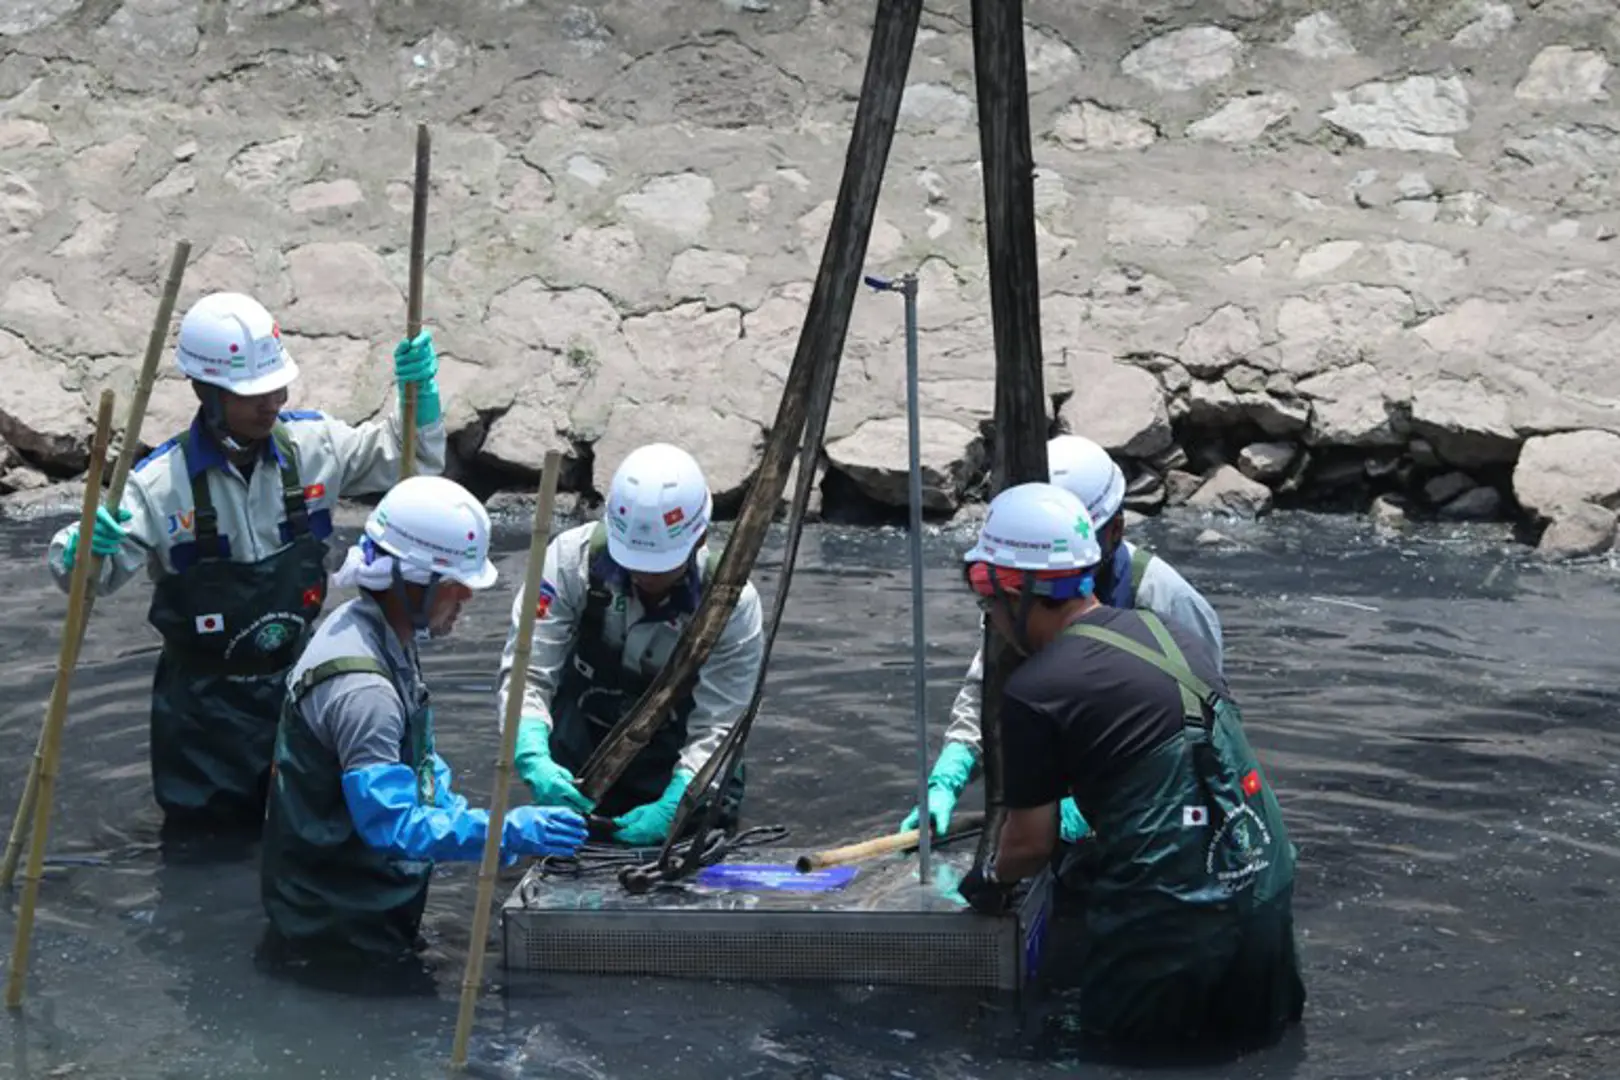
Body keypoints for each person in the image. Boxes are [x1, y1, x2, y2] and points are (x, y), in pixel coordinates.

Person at [46, 291, 447, 833]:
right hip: (203, 718)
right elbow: (88, 584)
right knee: (204, 853)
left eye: (276, 386)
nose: (272, 401)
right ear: (206, 392)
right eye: (252, 393)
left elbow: (411, 464)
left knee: (310, 834)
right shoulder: (158, 487)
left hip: (300, 690)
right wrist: (80, 547)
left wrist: (418, 402)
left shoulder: (315, 447)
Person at [954, 482, 1304, 1051]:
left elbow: (1029, 845)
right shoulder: (1169, 634)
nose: (988, 617)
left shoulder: (1036, 690)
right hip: (1264, 896)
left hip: (1169, 930)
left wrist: (988, 879)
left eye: (985, 596)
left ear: (1016, 592)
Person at [259, 475, 588, 961]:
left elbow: (419, 773)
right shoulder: (364, 690)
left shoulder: (372, 630)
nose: (468, 599)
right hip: (339, 928)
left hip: (358, 905)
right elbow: (392, 828)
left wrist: (469, 823)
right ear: (412, 582)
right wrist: (501, 832)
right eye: (456, 586)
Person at [900, 434, 1223, 844]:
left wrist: (1091, 806)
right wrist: (947, 778)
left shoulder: (1164, 600)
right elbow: (988, 690)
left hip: (1156, 814)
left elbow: (1201, 735)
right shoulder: (1017, 596)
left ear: (1116, 529)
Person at [495, 443, 765, 847]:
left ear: (699, 538)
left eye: (658, 566)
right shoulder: (570, 562)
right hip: (584, 758)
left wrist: (678, 802)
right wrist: (531, 753)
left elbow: (720, 723)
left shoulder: (733, 604)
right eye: (633, 561)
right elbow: (528, 673)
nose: (643, 574)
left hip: (679, 765)